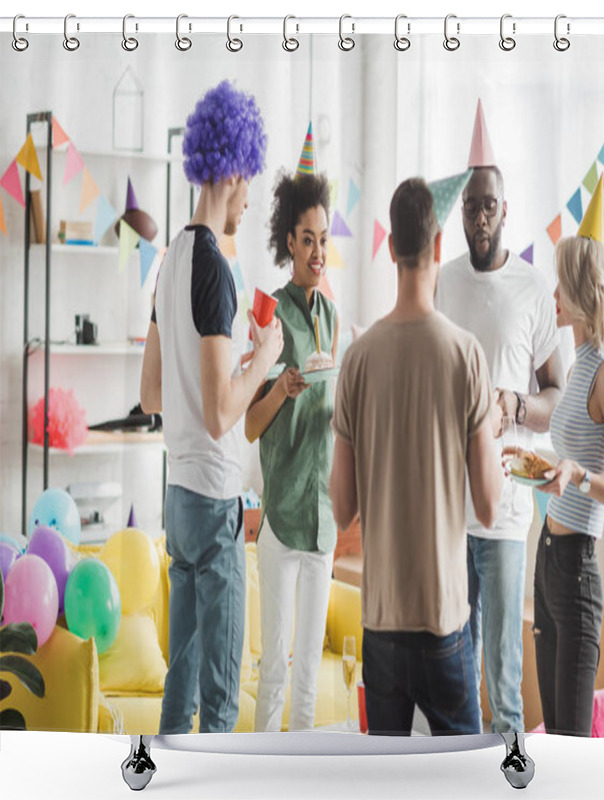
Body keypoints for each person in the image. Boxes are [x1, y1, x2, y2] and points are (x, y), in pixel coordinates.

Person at [329, 177, 503, 736]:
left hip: (380, 624)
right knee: (467, 780)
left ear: (390, 248)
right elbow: (490, 506)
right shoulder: (465, 355)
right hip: (443, 622)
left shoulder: (357, 359)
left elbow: (341, 510)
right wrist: (492, 428)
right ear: (436, 244)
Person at [140, 80, 284, 734]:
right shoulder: (214, 268)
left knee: (182, 679)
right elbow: (224, 413)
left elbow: (151, 396)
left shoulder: (169, 260)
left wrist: (235, 365)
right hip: (214, 497)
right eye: (249, 180)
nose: (249, 198)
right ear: (229, 168)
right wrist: (267, 354)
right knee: (223, 699)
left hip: (176, 497)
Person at [435, 99, 564, 733]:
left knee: (504, 685)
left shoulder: (533, 290)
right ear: (459, 210)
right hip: (450, 508)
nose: (480, 216)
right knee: (455, 673)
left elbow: (558, 397)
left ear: (505, 211)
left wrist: (514, 403)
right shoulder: (443, 281)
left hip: (510, 511)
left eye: (489, 205)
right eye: (470, 205)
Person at [517, 174, 604, 737]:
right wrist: (536, 461)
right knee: (552, 735)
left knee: (571, 744)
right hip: (547, 562)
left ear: (582, 292)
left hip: (579, 573)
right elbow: (568, 460)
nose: (554, 297)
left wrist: (578, 475)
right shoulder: (577, 359)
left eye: (560, 286)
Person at [245, 127, 339, 732]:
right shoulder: (269, 312)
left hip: (325, 518)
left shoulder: (333, 316)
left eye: (324, 240)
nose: (318, 252)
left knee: (308, 676)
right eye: (308, 240)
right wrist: (282, 387)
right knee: (275, 674)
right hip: (280, 516)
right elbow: (249, 425)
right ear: (289, 242)